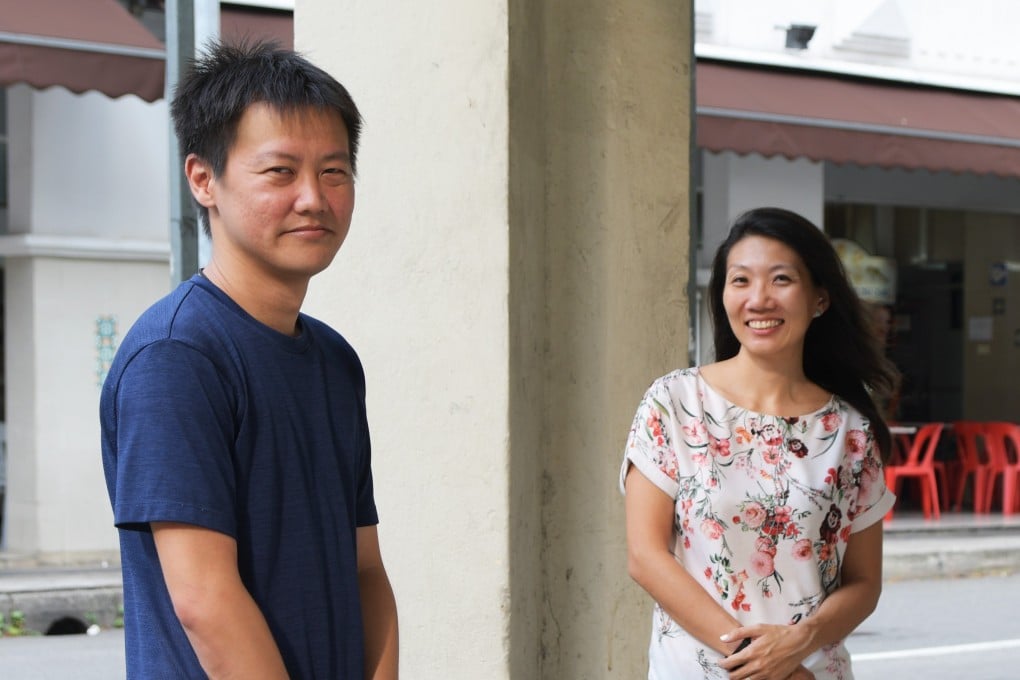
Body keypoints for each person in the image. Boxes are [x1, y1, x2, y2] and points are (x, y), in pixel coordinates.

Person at [100, 41, 398, 679]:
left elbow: (365, 569)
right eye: (279, 172)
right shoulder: (177, 356)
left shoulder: (334, 361)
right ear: (203, 179)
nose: (313, 198)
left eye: (334, 171)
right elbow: (205, 600)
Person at [620, 207, 899, 679]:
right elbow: (646, 557)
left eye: (782, 280)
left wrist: (799, 644)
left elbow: (864, 583)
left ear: (820, 299)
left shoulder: (850, 431)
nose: (759, 299)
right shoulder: (674, 402)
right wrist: (768, 665)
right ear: (724, 294)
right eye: (741, 281)